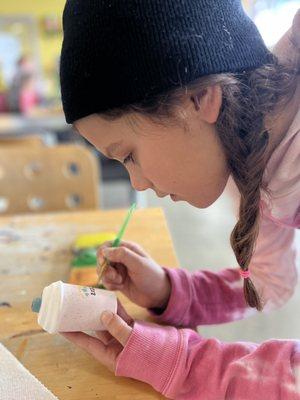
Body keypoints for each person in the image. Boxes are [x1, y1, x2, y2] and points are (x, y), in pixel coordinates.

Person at [59, 1, 300, 399]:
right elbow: (270, 283)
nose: (136, 183)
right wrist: (171, 292)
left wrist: (185, 365)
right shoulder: (256, 145)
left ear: (198, 96)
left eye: (128, 155)